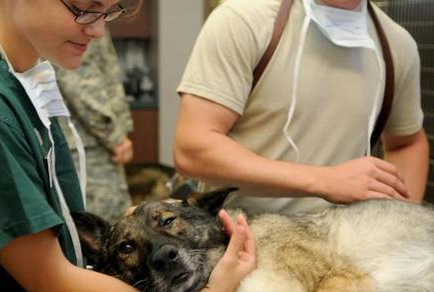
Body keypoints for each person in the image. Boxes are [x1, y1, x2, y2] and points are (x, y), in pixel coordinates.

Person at [0, 0, 255, 291]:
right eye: (83, 8)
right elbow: (51, 280)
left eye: (109, 12)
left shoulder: (19, 75)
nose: (99, 30)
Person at [174, 0, 429, 215]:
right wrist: (324, 180)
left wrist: (399, 222)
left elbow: (407, 142)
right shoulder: (245, 20)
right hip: (241, 248)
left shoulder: (397, 46)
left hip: (345, 252)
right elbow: (193, 148)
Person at [56, 32, 134, 224]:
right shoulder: (83, 18)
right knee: (106, 229)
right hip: (88, 145)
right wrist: (115, 137)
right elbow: (81, 84)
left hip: (84, 142)